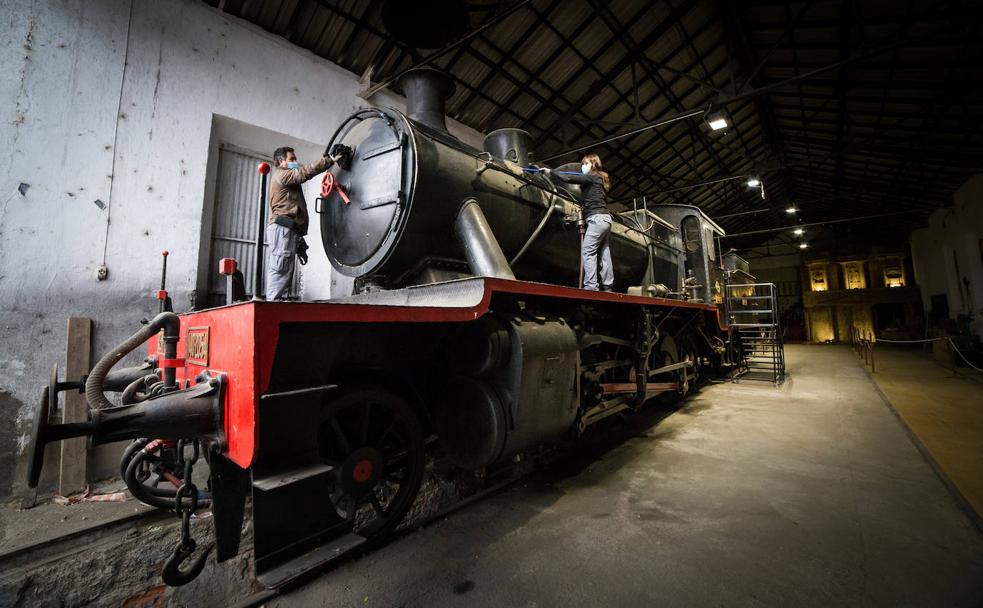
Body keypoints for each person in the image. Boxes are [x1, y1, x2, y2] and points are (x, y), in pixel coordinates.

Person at [266, 146, 341, 300]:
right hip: (283, 228)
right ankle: (272, 303)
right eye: (291, 159)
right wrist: (329, 160)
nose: (295, 162)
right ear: (281, 161)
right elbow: (304, 172)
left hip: (287, 229)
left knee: (284, 267)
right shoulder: (282, 174)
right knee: (280, 266)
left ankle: (278, 301)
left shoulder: (284, 176)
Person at [544, 153, 613, 291]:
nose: (583, 166)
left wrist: (550, 172)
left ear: (592, 164)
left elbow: (569, 177)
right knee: (604, 253)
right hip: (605, 219)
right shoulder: (599, 179)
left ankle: (591, 286)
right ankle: (607, 285)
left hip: (597, 219)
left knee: (588, 251)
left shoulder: (592, 177)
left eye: (585, 163)